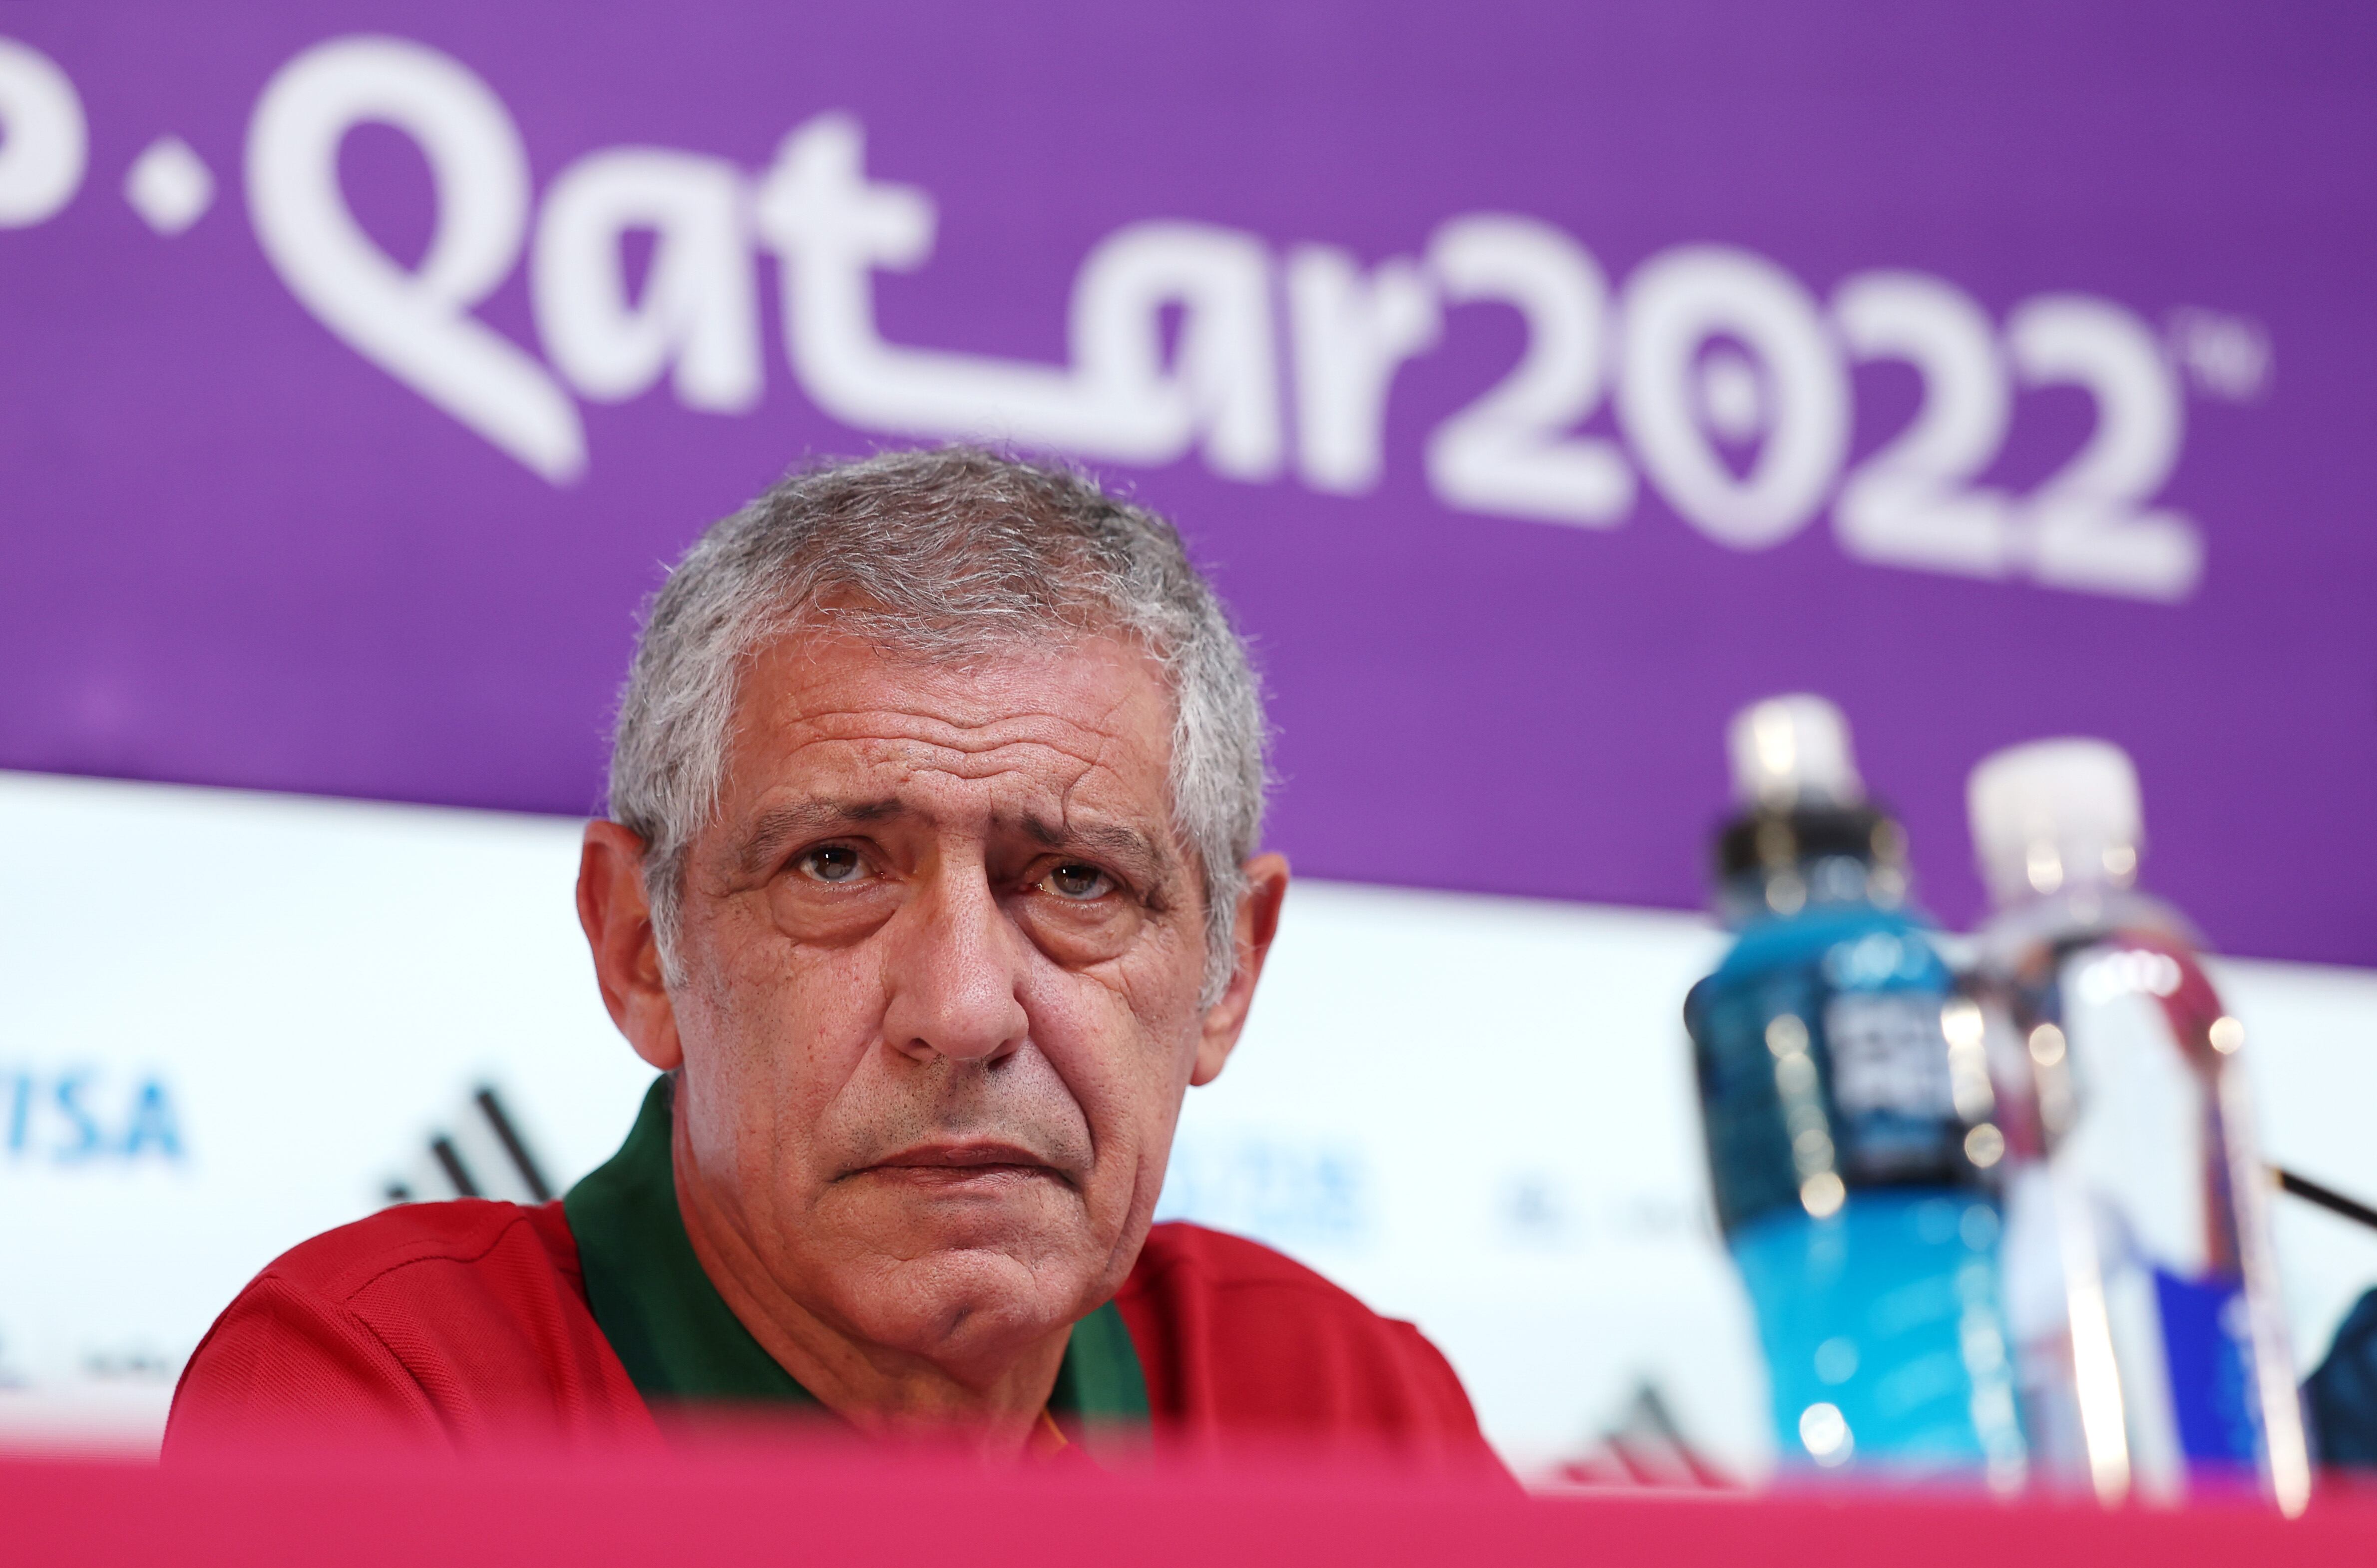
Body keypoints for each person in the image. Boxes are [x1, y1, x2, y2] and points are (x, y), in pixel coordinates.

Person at [166, 448, 1498, 1472]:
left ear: (1229, 974)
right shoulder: (389, 1396)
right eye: (839, 866)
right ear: (642, 945)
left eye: (1077, 879)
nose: (965, 1011)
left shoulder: (1343, 1418)